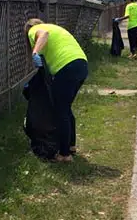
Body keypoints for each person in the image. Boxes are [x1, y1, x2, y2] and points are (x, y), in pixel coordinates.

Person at [25, 19, 89, 162]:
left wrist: (35, 52)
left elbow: (43, 34)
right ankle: (71, 146)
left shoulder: (35, 30)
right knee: (65, 108)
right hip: (81, 64)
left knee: (60, 110)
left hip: (66, 67)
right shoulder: (55, 28)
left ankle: (65, 154)